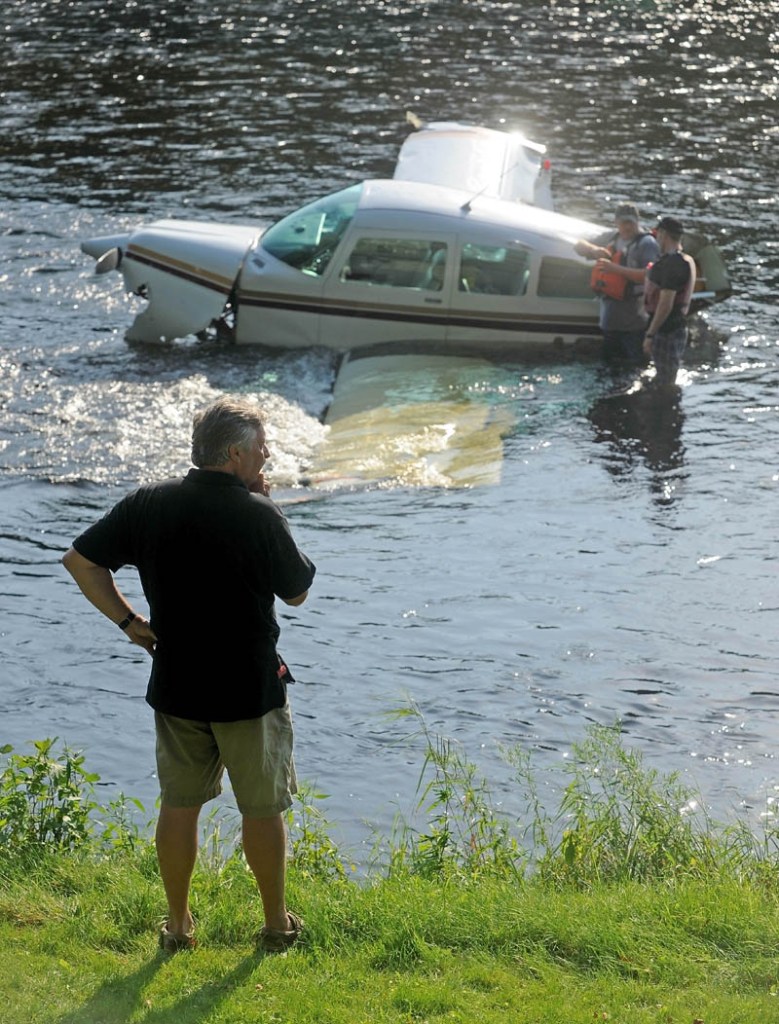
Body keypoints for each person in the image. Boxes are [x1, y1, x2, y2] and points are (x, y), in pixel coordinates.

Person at [62, 397, 316, 954]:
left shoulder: (149, 503)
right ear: (234, 454)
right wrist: (270, 510)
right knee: (262, 809)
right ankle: (276, 924)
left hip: (177, 684)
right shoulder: (259, 513)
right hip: (249, 690)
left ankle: (178, 926)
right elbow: (296, 593)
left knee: (179, 805)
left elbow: (80, 562)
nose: (268, 455)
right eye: (261, 448)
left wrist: (129, 621)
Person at [575, 202, 660, 363]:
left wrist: (615, 269)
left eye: (630, 223)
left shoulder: (647, 244)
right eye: (623, 223)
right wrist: (593, 250)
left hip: (635, 323)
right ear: (616, 222)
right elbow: (578, 245)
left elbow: (650, 276)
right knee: (609, 368)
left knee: (632, 368)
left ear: (637, 222)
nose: (627, 227)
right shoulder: (612, 238)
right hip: (609, 321)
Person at [642, 216, 697, 385]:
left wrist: (650, 334)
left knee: (665, 380)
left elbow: (665, 304)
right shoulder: (681, 260)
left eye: (657, 234)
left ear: (664, 234)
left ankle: (666, 407)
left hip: (667, 330)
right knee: (664, 375)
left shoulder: (673, 265)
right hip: (672, 327)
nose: (656, 238)